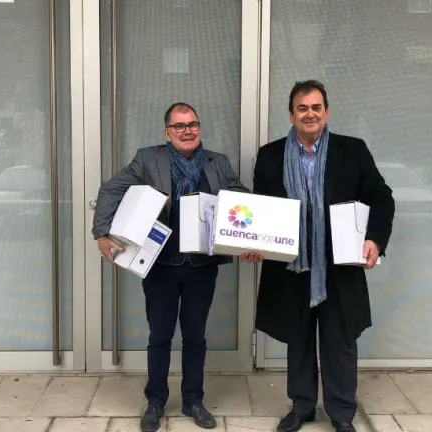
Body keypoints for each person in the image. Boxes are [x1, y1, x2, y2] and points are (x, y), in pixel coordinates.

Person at [242, 80, 395, 432]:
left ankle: (341, 414)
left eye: (315, 107)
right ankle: (302, 407)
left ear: (326, 112)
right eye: (302, 108)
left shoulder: (352, 150)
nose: (309, 114)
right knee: (298, 341)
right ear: (291, 115)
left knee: (339, 342)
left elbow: (381, 197)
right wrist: (253, 242)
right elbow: (261, 208)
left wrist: (374, 239)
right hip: (291, 266)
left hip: (338, 266)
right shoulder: (270, 155)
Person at [93, 102, 250, 432]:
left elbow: (240, 200)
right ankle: (155, 401)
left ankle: (194, 400)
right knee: (160, 335)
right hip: (161, 265)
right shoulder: (148, 159)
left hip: (202, 265)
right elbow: (111, 188)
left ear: (199, 128)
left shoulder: (218, 162)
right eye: (179, 126)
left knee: (195, 336)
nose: (187, 131)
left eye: (192, 125)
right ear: (167, 133)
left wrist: (255, 234)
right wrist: (102, 232)